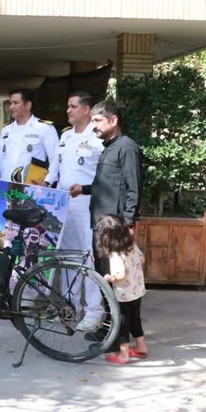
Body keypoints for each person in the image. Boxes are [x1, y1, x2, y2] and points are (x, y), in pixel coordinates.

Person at [35, 92, 104, 331]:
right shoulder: (65, 136)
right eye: (68, 106)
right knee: (66, 257)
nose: (68, 110)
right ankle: (68, 307)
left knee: (88, 257)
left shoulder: (97, 137)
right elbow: (56, 165)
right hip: (64, 204)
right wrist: (47, 182)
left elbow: (105, 174)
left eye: (73, 106)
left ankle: (94, 311)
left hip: (87, 204)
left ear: (86, 110)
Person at [70, 100, 143, 275]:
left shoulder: (126, 147)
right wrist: (83, 189)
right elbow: (108, 183)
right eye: (92, 121)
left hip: (115, 226)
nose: (93, 126)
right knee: (103, 276)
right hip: (100, 224)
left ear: (113, 120)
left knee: (116, 278)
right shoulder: (108, 148)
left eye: (98, 120)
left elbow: (134, 186)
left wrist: (129, 223)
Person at [96, 214, 148, 365]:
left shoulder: (115, 253)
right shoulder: (131, 246)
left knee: (122, 324)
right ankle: (141, 347)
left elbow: (120, 274)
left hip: (123, 294)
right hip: (137, 290)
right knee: (135, 319)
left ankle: (124, 354)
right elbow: (142, 259)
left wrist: (108, 278)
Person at [0, 88, 58, 183]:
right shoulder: (7, 130)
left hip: (30, 186)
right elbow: (1, 157)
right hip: (6, 183)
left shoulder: (44, 128)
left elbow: (55, 158)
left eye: (15, 103)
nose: (11, 107)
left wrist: (47, 182)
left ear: (28, 105)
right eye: (10, 103)